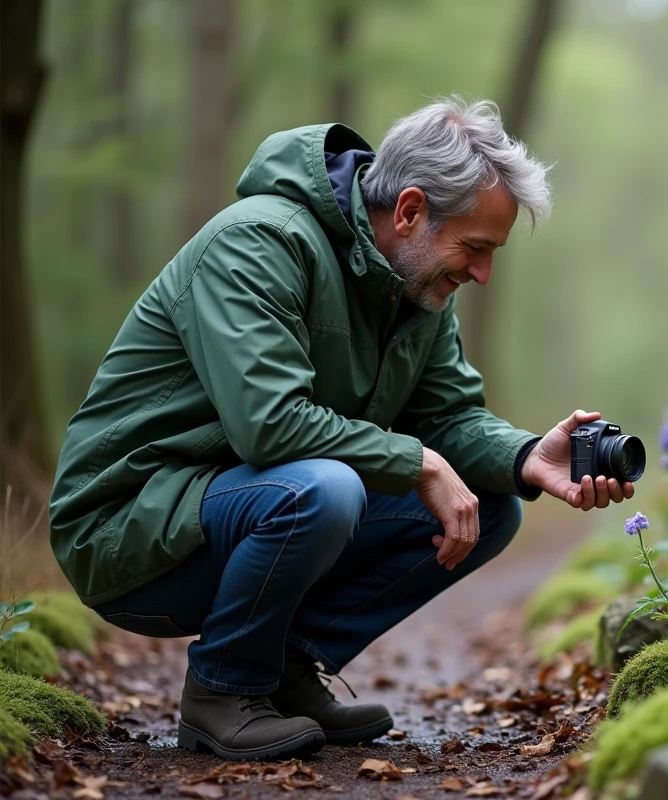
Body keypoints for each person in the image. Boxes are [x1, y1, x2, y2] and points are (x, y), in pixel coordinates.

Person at [48, 97, 634, 761]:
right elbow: (268, 427)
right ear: (410, 210)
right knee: (324, 490)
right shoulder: (258, 242)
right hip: (126, 527)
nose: (482, 273)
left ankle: (287, 672)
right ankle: (222, 692)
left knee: (488, 506)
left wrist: (527, 456)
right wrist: (419, 463)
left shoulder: (417, 289)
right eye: (475, 248)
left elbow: (447, 418)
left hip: (236, 506)